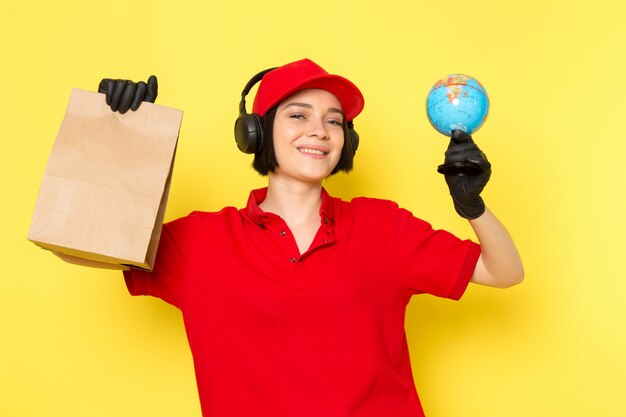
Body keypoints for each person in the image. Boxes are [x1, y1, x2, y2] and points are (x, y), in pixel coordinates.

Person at [98, 58, 523, 417]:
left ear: (346, 141)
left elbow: (504, 272)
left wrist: (473, 207)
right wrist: (119, 136)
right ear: (256, 132)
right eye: (299, 115)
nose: (319, 130)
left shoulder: (383, 226)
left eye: (333, 121)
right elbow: (86, 246)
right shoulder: (199, 240)